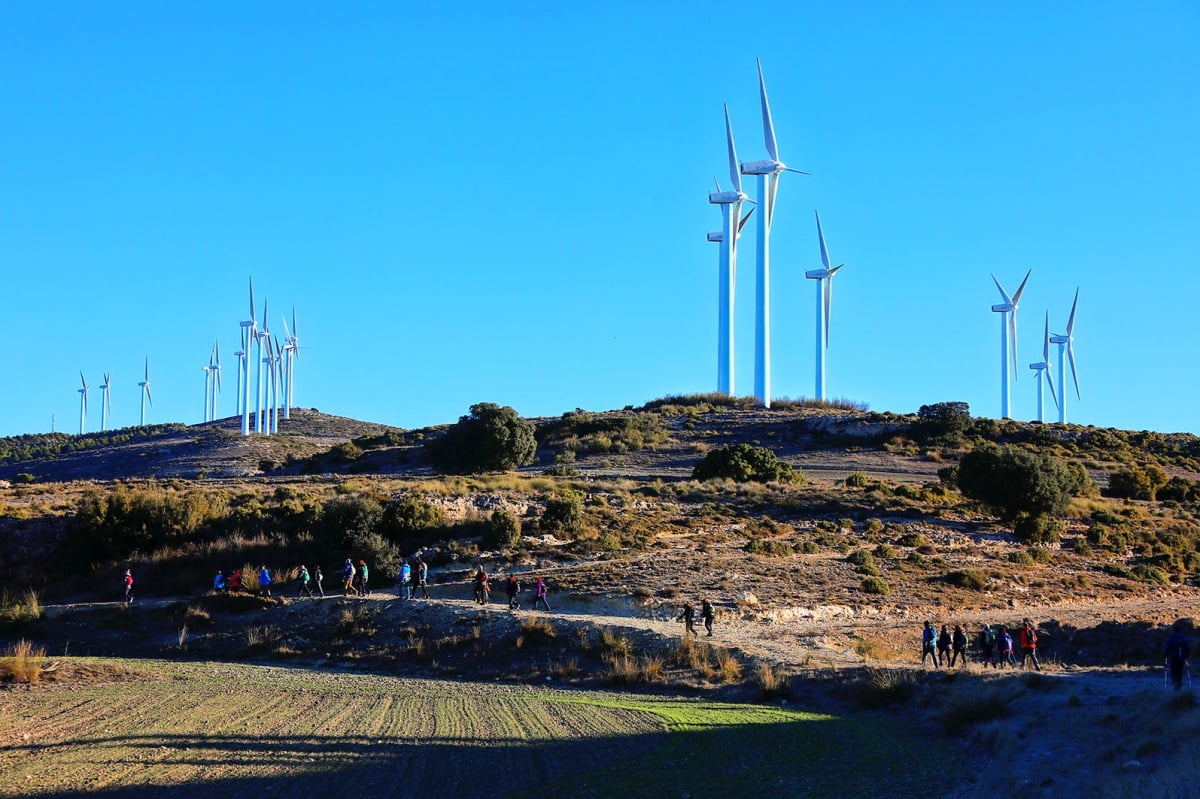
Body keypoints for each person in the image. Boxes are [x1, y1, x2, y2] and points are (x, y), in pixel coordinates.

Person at [1165, 623, 1191, 691]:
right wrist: (1187, 655)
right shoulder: (1183, 638)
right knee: (1180, 671)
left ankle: (1175, 683)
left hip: (1173, 657)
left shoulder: (1171, 637)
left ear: (1174, 630)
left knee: (1173, 670)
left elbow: (1167, 647)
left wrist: (1166, 654)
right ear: (1180, 630)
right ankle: (1179, 686)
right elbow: (1187, 647)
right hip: (1182, 657)